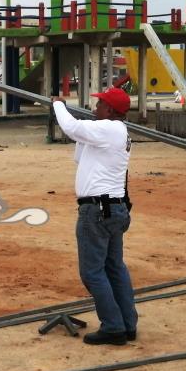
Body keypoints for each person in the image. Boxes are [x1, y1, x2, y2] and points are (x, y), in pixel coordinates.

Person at [51, 87, 137, 346]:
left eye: (99, 106)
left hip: (97, 211)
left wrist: (58, 105)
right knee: (113, 268)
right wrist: (83, 128)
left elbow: (71, 127)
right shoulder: (114, 132)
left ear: (110, 111)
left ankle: (113, 326)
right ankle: (126, 324)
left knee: (92, 272)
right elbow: (80, 154)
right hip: (112, 208)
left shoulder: (110, 129)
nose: (94, 109)